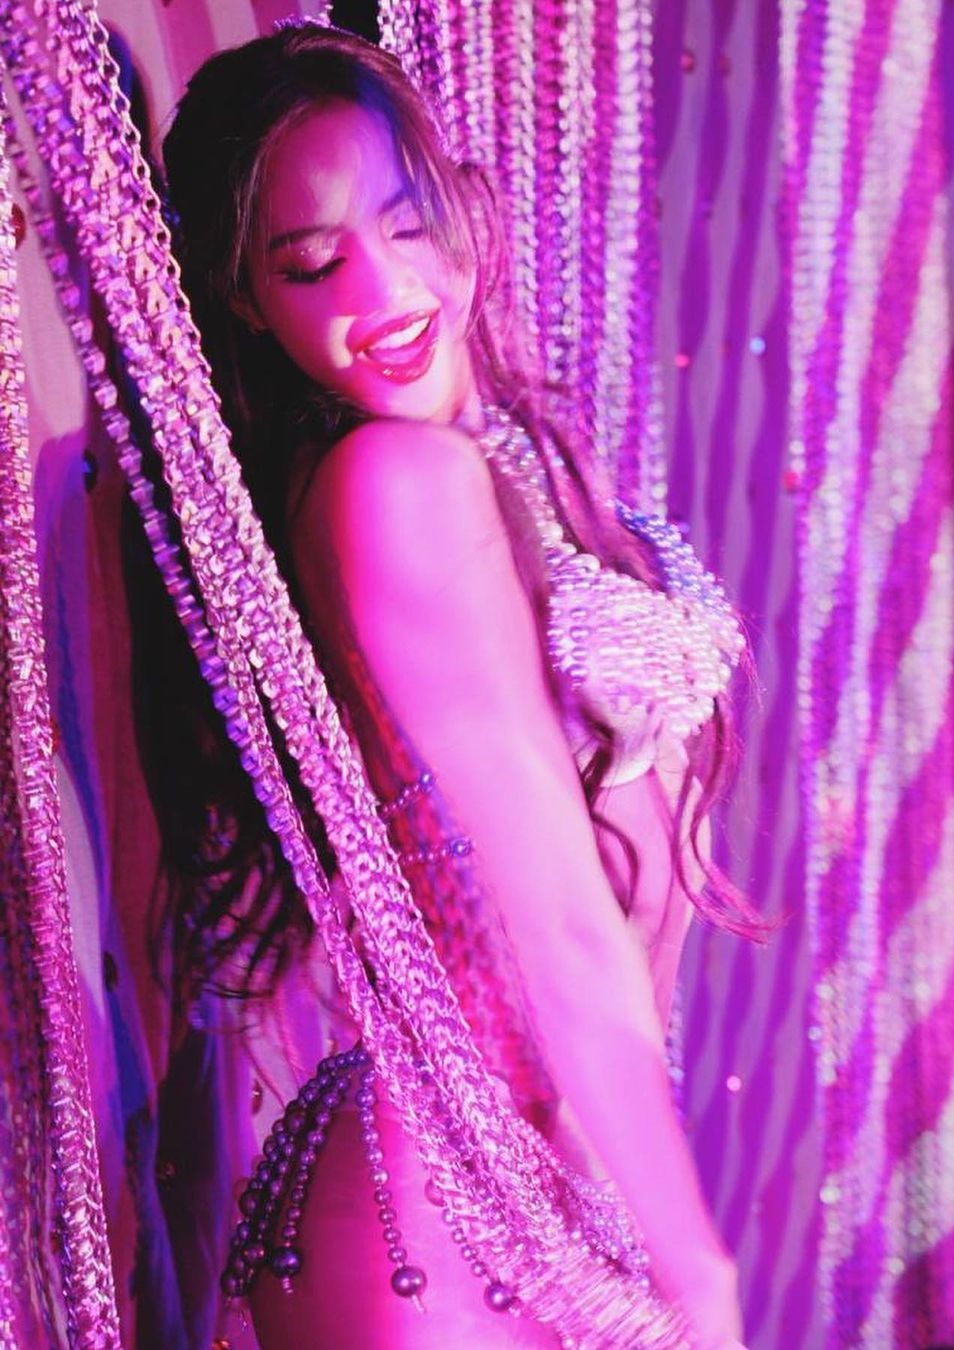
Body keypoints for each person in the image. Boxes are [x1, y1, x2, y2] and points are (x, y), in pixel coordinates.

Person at [128, 21, 761, 1348]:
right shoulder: (395, 486)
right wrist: (698, 1274)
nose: (382, 291)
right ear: (247, 298)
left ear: (463, 210)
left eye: (406, 224)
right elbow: (561, 920)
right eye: (313, 263)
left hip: (529, 1190)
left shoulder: (492, 463)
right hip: (450, 1223)